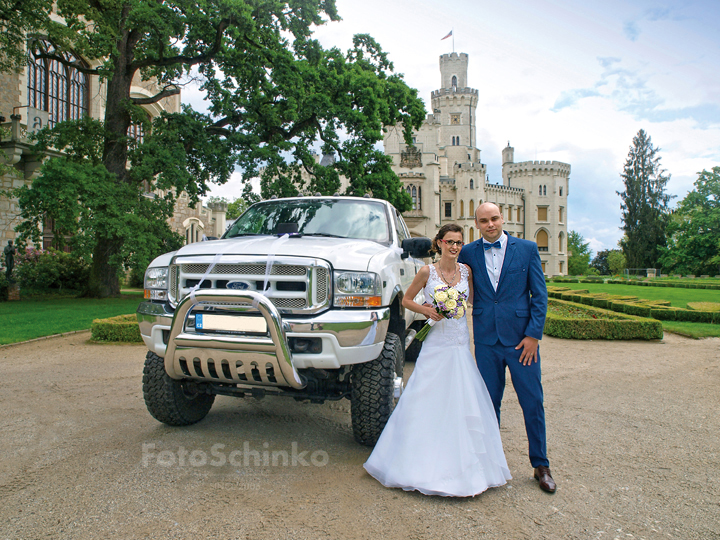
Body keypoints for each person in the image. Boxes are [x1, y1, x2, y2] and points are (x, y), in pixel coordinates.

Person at [363, 224, 511, 497]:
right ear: (439, 243)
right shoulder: (426, 271)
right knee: (426, 394)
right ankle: (414, 459)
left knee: (461, 397)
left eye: (459, 243)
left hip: (458, 340)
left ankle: (466, 464)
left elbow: (475, 303)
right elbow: (407, 301)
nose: (455, 247)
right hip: (436, 341)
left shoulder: (467, 271)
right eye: (450, 242)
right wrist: (428, 309)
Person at [457, 202, 555, 493]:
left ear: (503, 219)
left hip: (521, 342)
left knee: (532, 402)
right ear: (477, 224)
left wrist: (533, 336)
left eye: (495, 218)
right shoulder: (469, 253)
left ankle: (541, 465)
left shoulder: (526, 249)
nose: (491, 224)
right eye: (484, 220)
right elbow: (457, 286)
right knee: (488, 404)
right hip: (487, 340)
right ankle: (489, 464)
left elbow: (539, 295)